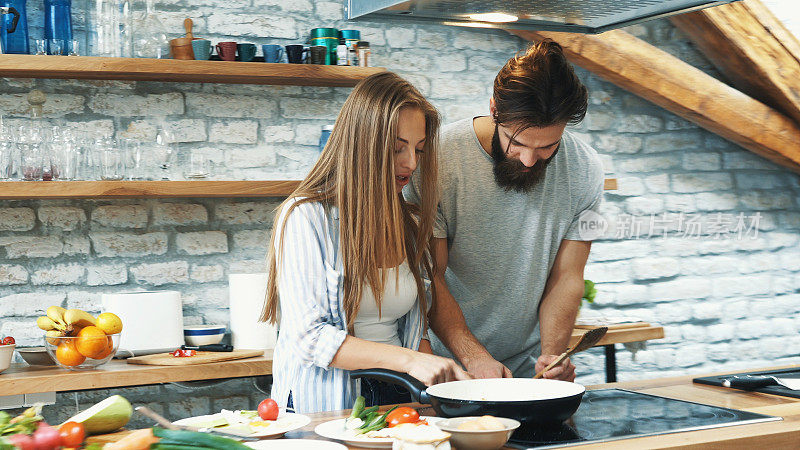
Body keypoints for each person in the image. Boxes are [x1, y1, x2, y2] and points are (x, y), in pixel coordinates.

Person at [262, 72, 471, 414]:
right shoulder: (305, 217)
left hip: (399, 399)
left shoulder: (410, 221)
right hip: (326, 408)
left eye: (418, 149)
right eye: (396, 148)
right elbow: (309, 338)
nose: (411, 163)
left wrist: (443, 389)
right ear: (362, 143)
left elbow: (414, 330)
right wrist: (410, 361)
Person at [406, 39, 604, 381]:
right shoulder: (437, 160)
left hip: (527, 371)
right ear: (494, 109)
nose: (530, 160)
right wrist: (474, 357)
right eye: (518, 142)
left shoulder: (586, 168)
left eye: (547, 147)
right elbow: (430, 277)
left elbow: (567, 277)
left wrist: (552, 356)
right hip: (444, 367)